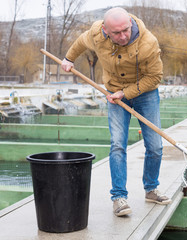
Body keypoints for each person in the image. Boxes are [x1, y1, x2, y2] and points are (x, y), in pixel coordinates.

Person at [61, 7, 171, 217]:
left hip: (145, 92)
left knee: (155, 145)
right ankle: (119, 198)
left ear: (130, 22)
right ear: (105, 30)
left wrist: (126, 92)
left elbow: (155, 77)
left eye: (125, 30)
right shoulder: (96, 34)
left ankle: (151, 188)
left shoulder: (149, 43)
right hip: (113, 92)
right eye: (116, 33)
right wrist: (69, 58)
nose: (122, 36)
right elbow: (81, 42)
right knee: (118, 144)